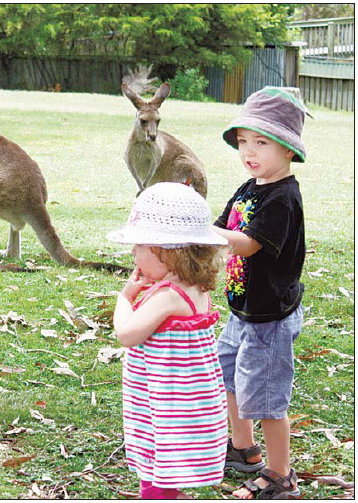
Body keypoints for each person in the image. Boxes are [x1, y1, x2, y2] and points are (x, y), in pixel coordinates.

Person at [213, 87, 309, 499]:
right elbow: (223, 223)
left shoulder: (282, 199)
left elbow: (246, 243)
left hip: (270, 318)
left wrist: (199, 232)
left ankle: (279, 474)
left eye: (261, 142)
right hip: (243, 311)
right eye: (243, 142)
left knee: (267, 398)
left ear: (288, 150)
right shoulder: (251, 185)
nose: (249, 151)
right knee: (229, 376)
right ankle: (242, 450)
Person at [108, 182, 229, 499]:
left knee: (157, 465)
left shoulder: (167, 296)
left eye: (139, 246)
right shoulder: (194, 287)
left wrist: (124, 298)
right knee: (164, 467)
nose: (133, 253)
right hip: (182, 398)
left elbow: (127, 334)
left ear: (167, 250)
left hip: (165, 404)